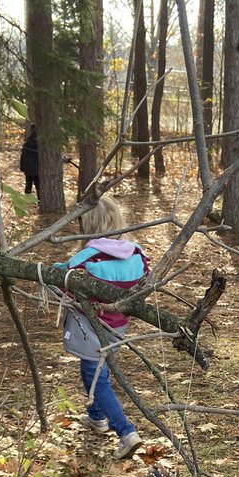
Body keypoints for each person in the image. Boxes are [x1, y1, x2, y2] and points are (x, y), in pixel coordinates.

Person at [55, 196, 146, 460]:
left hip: (90, 326)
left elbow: (65, 280)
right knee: (94, 369)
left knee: (98, 378)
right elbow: (143, 280)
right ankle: (97, 417)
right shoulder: (136, 254)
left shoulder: (86, 257)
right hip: (119, 326)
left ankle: (126, 431)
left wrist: (52, 273)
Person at [20, 123, 39, 199]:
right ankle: (40, 200)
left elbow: (23, 156)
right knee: (38, 186)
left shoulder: (28, 141)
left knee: (28, 184)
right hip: (35, 168)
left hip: (28, 168)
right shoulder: (37, 142)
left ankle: (27, 200)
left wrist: (22, 167)